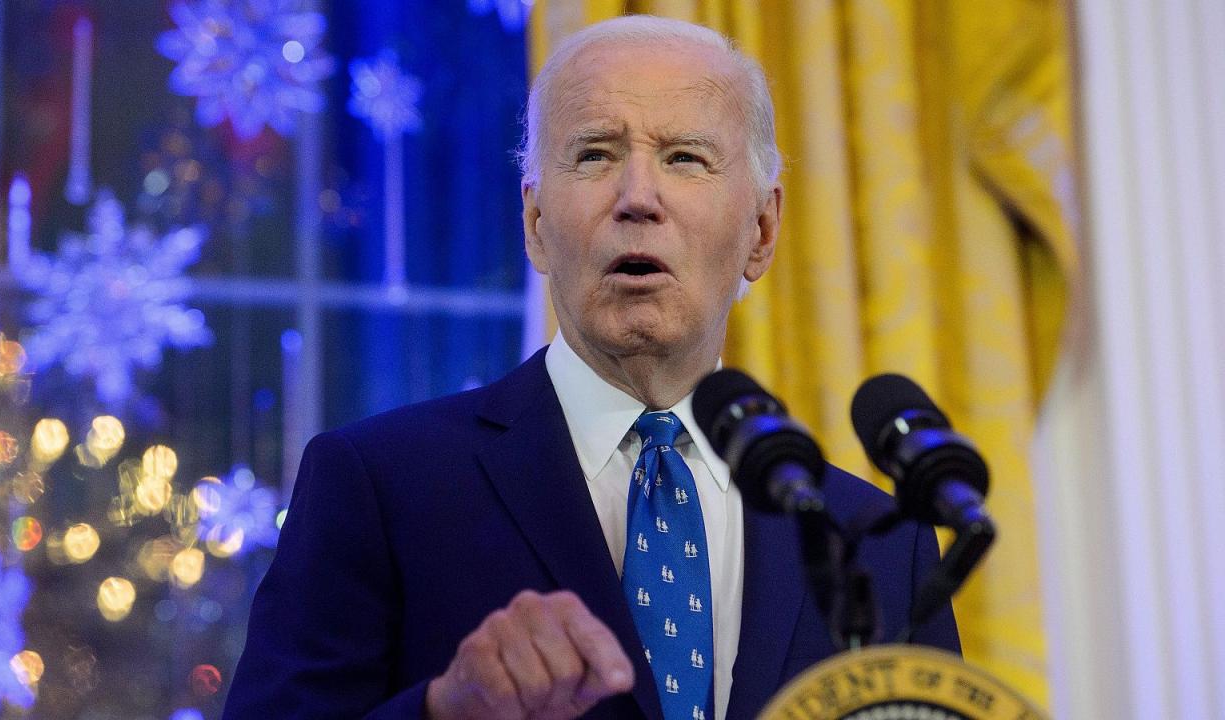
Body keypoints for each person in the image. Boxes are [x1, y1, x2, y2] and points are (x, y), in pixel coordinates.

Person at [223, 15, 960, 720]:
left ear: (761, 231)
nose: (637, 199)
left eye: (685, 158)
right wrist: (446, 712)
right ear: (536, 225)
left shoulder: (880, 544)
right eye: (595, 154)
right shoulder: (378, 485)